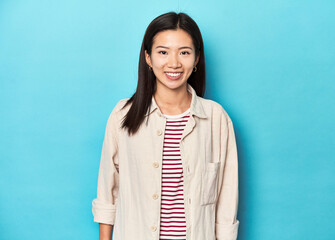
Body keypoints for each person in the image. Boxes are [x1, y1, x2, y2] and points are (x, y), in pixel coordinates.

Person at [92, 11, 240, 240]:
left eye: (184, 52)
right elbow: (107, 193)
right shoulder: (123, 114)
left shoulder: (216, 119)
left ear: (197, 58)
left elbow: (226, 202)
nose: (174, 63)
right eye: (163, 52)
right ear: (148, 58)